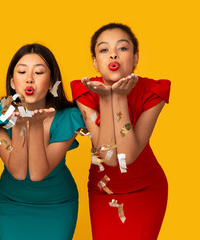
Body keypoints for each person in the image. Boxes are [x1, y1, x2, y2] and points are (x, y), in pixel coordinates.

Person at [70, 23, 170, 239]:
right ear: (95, 62)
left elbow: (127, 156)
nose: (113, 55)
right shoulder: (85, 91)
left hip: (146, 190)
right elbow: (108, 157)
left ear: (135, 58)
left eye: (122, 48)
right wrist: (106, 98)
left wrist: (119, 98)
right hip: (103, 191)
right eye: (104, 50)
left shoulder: (153, 91)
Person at [0, 43, 85, 240]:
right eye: (21, 72)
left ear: (52, 81)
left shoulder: (69, 117)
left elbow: (38, 173)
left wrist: (35, 125)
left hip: (58, 205)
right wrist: (20, 123)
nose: (29, 78)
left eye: (38, 72)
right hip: (11, 204)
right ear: (12, 82)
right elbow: (18, 171)